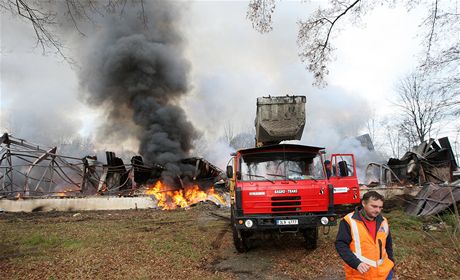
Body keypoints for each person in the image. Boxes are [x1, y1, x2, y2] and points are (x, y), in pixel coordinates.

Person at [335, 191, 394, 280]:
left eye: (380, 207)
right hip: (360, 275)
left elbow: (388, 245)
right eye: (374, 206)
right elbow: (341, 244)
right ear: (363, 203)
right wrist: (356, 263)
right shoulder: (349, 221)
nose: (377, 210)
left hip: (384, 274)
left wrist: (391, 263)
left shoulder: (383, 221)